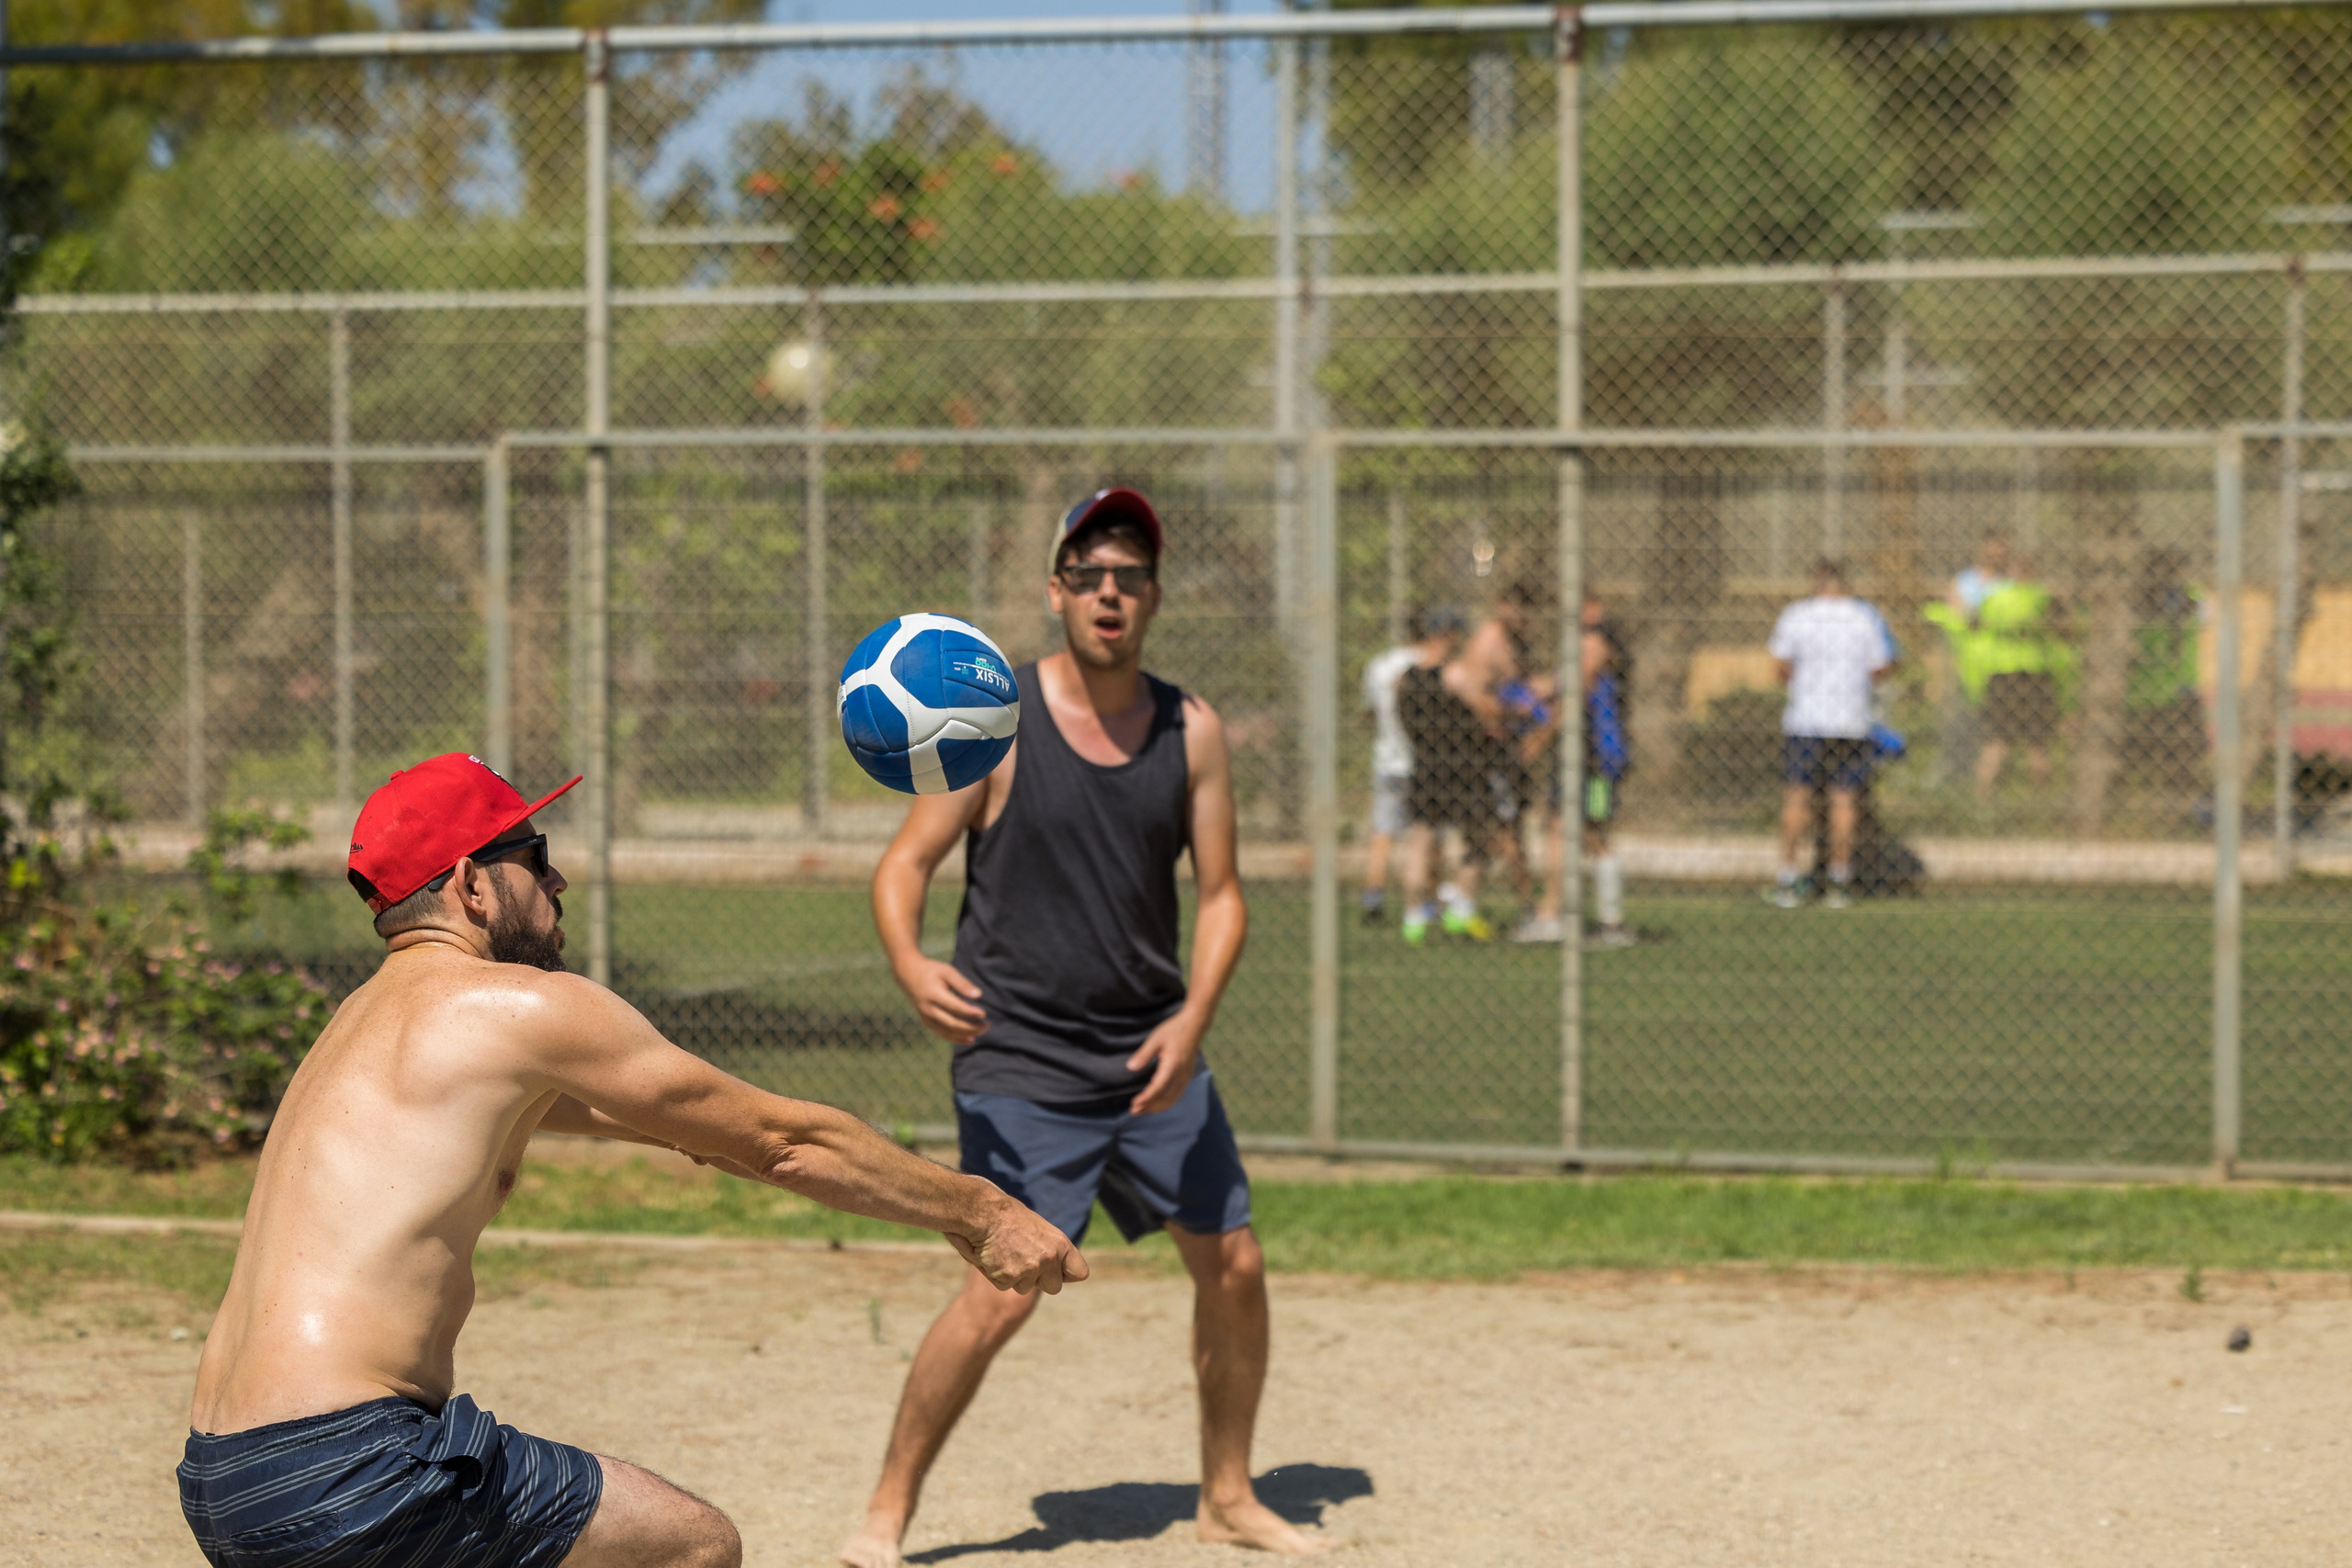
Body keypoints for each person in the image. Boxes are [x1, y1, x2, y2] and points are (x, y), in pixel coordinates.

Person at [181, 752, 1084, 1568]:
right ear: (471, 884)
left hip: (223, 1478)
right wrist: (982, 1211)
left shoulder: (357, 1026)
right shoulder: (518, 1006)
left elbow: (704, 1133)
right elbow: (784, 1140)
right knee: (691, 1546)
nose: (558, 876)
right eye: (534, 855)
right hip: (353, 1468)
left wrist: (911, 1200)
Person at [842, 488, 1323, 1566]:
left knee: (1234, 1266)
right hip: (1018, 1058)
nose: (1111, 593)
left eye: (1132, 577)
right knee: (1000, 1292)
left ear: (1153, 596)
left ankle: (1229, 1496)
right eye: (1091, 575)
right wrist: (911, 960)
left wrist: (1194, 1020)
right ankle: (886, 1511)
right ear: (1057, 590)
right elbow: (904, 865)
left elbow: (1226, 894)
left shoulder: (1189, 728)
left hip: (1151, 1052)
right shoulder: (992, 719)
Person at [1768, 559, 1896, 909]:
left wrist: (1808, 681)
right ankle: (1839, 881)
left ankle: (1788, 879)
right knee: (1844, 798)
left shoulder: (1797, 615)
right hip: (1851, 721)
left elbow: (1781, 667)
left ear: (1816, 582)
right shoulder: (1864, 616)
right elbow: (1882, 666)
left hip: (1805, 721)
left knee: (1798, 797)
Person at [1517, 594, 1634, 947]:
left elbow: (1574, 698)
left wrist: (1540, 736)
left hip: (1590, 755)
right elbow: (1561, 687)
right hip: (1590, 754)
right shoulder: (1587, 647)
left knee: (1565, 828)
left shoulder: (1592, 643)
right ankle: (1608, 920)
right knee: (1587, 831)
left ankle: (1554, 915)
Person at [1358, 607, 1464, 924]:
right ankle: (1428, 900)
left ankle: (1374, 894)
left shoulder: (1380, 665)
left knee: (1383, 831)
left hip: (1387, 759)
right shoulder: (1433, 664)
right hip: (1424, 761)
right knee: (1430, 834)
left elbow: (1371, 711)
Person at [1973, 564, 2067, 804]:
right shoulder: (2040, 596)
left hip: (2001, 674)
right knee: (2038, 743)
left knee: (1996, 740)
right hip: (2035, 674)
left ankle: (1981, 799)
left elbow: (1974, 623)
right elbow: (2065, 627)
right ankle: (2041, 802)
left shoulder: (1993, 597)